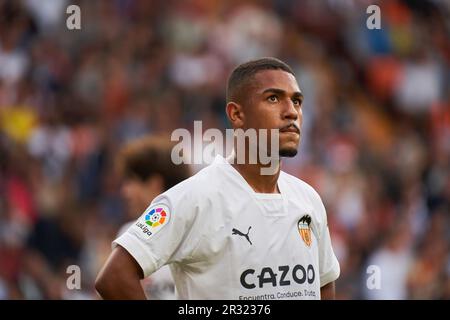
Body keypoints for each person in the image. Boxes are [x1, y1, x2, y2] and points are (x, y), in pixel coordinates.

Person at [95, 57, 340, 300]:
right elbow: (115, 276)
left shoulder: (308, 199)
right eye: (273, 98)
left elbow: (324, 284)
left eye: (297, 101)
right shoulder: (196, 198)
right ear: (236, 114)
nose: (291, 112)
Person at [115, 136, 191, 299]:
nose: (124, 192)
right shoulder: (127, 234)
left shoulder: (196, 236)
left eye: (131, 182)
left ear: (154, 184)